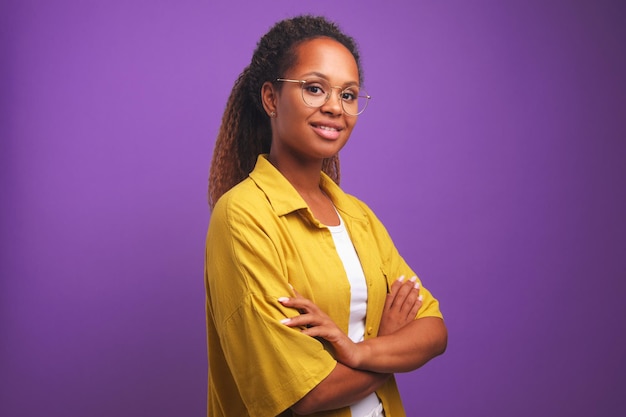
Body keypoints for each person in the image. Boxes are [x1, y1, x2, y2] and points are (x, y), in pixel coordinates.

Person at [205, 15, 447, 417]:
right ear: (271, 98)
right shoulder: (243, 216)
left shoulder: (357, 217)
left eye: (349, 95)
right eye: (315, 89)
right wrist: (389, 344)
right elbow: (301, 394)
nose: (335, 107)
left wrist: (357, 349)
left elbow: (434, 331)